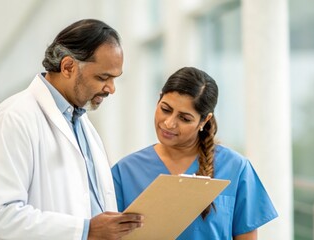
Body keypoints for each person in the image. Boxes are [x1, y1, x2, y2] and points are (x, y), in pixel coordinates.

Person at [0, 19, 143, 240]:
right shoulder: (12, 119)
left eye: (114, 78)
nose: (111, 88)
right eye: (103, 77)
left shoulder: (82, 124)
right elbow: (0, 217)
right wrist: (85, 230)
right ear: (68, 67)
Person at [112, 67, 278, 240]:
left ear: (204, 120)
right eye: (166, 109)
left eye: (184, 118)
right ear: (158, 99)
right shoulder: (125, 172)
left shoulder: (236, 168)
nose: (169, 123)